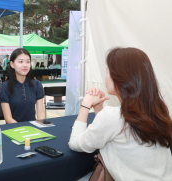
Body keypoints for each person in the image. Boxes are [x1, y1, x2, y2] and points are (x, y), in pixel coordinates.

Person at [68, 47, 172, 180]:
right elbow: (114, 134)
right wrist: (99, 108)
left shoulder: (114, 116)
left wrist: (85, 104)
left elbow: (75, 144)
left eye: (107, 72)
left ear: (120, 78)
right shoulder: (158, 112)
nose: (105, 77)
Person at [0, 48, 45, 123]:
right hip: (14, 129)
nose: (25, 65)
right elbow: (8, 119)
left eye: (28, 62)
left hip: (33, 129)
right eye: (20, 62)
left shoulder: (37, 85)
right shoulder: (4, 87)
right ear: (12, 64)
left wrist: (40, 126)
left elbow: (40, 114)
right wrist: (22, 130)